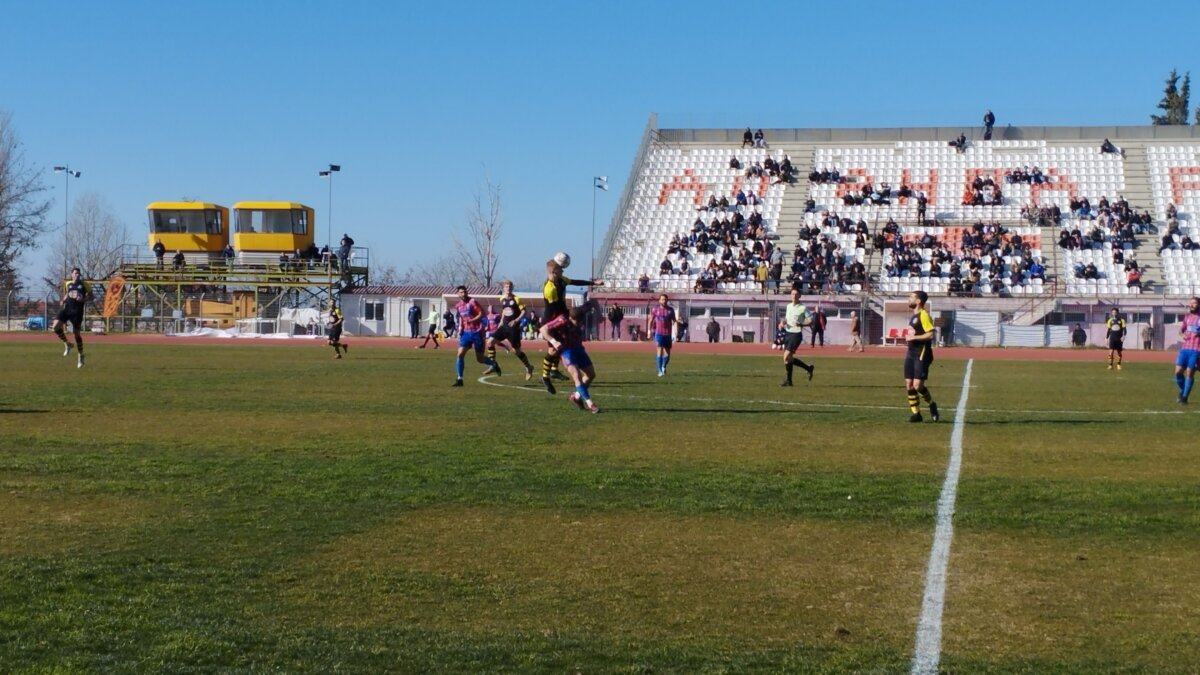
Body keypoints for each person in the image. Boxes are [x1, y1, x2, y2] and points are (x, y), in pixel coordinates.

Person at [539, 258, 603, 394]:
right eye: (560, 269)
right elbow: (553, 308)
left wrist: (593, 283)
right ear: (554, 271)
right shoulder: (549, 289)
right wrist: (565, 319)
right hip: (552, 320)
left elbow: (575, 282)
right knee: (553, 350)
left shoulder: (561, 280)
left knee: (559, 348)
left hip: (562, 316)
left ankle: (552, 372)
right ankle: (545, 377)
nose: (563, 272)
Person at [540, 306, 600, 413]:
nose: (579, 324)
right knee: (577, 376)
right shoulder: (562, 320)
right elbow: (543, 329)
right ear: (571, 318)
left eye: (581, 321)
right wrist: (554, 342)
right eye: (577, 322)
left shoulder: (579, 318)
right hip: (567, 351)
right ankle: (590, 404)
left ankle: (576, 397)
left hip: (579, 349)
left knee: (591, 375)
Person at [484, 280, 535, 380]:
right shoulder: (502, 298)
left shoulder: (516, 299)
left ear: (512, 288)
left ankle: (528, 367)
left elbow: (524, 311)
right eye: (506, 287)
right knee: (490, 342)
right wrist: (501, 322)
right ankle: (493, 365)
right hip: (504, 327)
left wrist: (516, 321)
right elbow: (504, 310)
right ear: (503, 288)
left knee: (516, 351)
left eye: (510, 286)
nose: (508, 288)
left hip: (513, 329)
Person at [450, 285, 499, 386]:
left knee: (479, 359)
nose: (464, 294)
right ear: (458, 294)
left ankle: (493, 364)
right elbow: (460, 317)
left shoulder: (472, 302)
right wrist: (460, 327)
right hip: (466, 333)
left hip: (477, 332)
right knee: (460, 354)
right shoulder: (458, 306)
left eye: (465, 292)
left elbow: (481, 314)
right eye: (461, 292)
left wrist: (471, 320)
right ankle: (459, 379)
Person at [903, 291, 939, 423]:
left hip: (922, 353)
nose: (909, 299)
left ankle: (932, 404)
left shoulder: (924, 315)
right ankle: (916, 414)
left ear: (918, 301)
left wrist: (914, 337)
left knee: (917, 386)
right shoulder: (914, 316)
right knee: (909, 384)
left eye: (911, 297)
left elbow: (931, 334)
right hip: (911, 353)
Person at [52, 267, 92, 368]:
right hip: (67, 309)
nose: (77, 275)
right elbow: (67, 293)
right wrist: (63, 300)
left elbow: (91, 296)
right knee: (55, 327)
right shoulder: (68, 283)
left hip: (77, 312)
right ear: (72, 274)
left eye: (78, 273)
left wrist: (83, 299)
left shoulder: (84, 284)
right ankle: (67, 344)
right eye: (75, 273)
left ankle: (80, 355)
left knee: (76, 334)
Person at [780, 285, 815, 386]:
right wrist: (783, 322)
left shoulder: (803, 308)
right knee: (789, 359)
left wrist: (801, 324)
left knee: (786, 357)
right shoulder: (788, 306)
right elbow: (786, 319)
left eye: (796, 294)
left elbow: (811, 320)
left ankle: (789, 380)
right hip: (788, 333)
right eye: (792, 294)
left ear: (799, 296)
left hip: (796, 334)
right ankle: (792, 379)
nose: (794, 296)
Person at [1173, 297, 1200, 404]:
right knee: (1178, 372)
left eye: (1194, 303)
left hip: (1196, 349)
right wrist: (1182, 335)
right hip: (1185, 348)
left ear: (1198, 305)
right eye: (1190, 303)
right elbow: (1181, 329)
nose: (1191, 305)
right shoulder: (1187, 317)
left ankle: (1184, 398)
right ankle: (1183, 391)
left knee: (1189, 372)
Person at [646, 293, 678, 377]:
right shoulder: (655, 309)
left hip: (668, 334)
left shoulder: (670, 310)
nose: (664, 301)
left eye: (665, 299)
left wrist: (676, 331)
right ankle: (659, 371)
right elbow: (650, 320)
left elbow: (674, 321)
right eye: (662, 299)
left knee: (667, 355)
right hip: (659, 334)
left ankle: (663, 366)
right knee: (659, 351)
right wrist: (649, 331)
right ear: (659, 300)